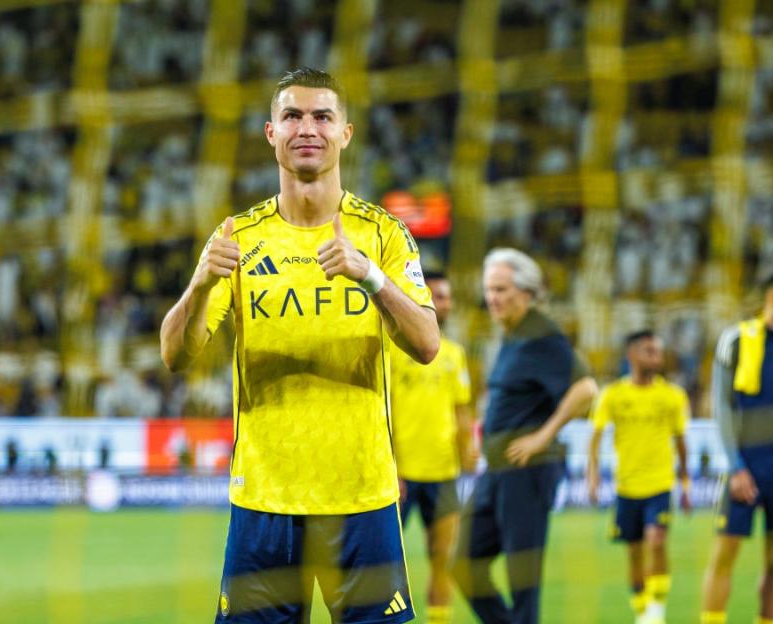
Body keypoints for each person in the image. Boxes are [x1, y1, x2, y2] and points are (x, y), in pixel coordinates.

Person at [160, 67, 440, 624]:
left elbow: (428, 344)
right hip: (266, 499)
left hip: (361, 497)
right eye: (292, 115)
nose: (306, 128)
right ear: (271, 133)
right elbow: (175, 355)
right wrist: (200, 286)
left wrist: (371, 279)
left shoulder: (382, 233)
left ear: (345, 133)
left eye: (322, 116)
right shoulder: (237, 236)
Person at [452, 248, 597, 624]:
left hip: (527, 470)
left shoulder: (541, 333)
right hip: (497, 470)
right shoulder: (512, 334)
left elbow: (586, 390)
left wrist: (542, 437)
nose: (492, 298)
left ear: (528, 292)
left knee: (522, 582)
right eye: (489, 290)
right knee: (463, 564)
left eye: (501, 289)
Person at [586, 330, 691, 624]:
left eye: (658, 350)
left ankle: (656, 611)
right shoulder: (613, 395)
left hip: (659, 485)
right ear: (631, 355)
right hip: (626, 488)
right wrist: (592, 477)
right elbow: (594, 440)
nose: (656, 356)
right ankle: (641, 608)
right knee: (633, 553)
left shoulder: (673, 396)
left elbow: (682, 443)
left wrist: (685, 483)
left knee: (656, 541)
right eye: (649, 351)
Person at [391, 271, 476, 624]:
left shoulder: (455, 355)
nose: (446, 304)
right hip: (401, 474)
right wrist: (389, 464)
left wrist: (468, 448)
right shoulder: (393, 349)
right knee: (386, 560)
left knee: (443, 555)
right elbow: (381, 410)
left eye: (448, 297)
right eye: (439, 296)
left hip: (443, 472)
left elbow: (462, 410)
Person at [702, 273, 773, 624]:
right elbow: (722, 406)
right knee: (725, 552)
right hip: (746, 465)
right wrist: (735, 466)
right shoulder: (737, 340)